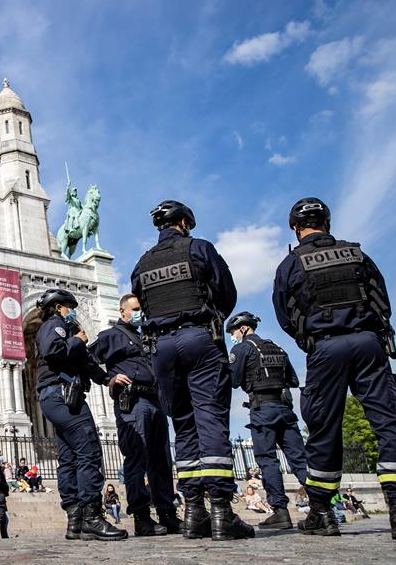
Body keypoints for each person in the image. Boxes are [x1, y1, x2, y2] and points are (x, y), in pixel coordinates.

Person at [273, 197, 396, 540]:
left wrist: (309, 338)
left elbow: (284, 314)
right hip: (368, 343)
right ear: (327, 223)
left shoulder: (290, 263)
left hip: (325, 347)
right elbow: (381, 298)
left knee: (323, 428)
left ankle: (321, 513)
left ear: (295, 228)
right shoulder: (357, 254)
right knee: (388, 424)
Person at [130, 200, 253, 541]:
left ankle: (194, 511)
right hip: (198, 337)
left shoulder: (142, 262)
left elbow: (142, 300)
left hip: (161, 347)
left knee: (183, 424)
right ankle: (222, 512)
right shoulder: (199, 248)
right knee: (210, 418)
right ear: (185, 222)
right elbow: (226, 293)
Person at [34, 288, 127, 541]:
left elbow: (86, 364)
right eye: (69, 307)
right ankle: (92, 517)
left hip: (59, 396)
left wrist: (108, 379)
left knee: (69, 457)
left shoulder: (66, 332)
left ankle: (75, 521)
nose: (72, 311)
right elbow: (53, 351)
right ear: (58, 308)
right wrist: (77, 340)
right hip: (62, 395)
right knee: (89, 451)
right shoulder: (54, 325)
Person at [89, 293, 181, 536]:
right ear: (122, 312)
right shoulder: (111, 336)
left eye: (142, 309)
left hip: (155, 401)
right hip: (132, 402)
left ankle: (167, 513)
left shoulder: (147, 337)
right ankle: (142, 517)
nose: (140, 313)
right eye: (136, 309)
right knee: (137, 458)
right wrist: (108, 379)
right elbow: (87, 359)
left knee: (162, 460)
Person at [226, 310, 308, 530]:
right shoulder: (276, 347)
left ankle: (280, 511)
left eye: (233, 332)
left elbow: (233, 380)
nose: (233, 336)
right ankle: (322, 508)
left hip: (262, 409)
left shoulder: (242, 349)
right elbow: (293, 379)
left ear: (243, 328)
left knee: (267, 460)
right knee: (299, 459)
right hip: (285, 408)